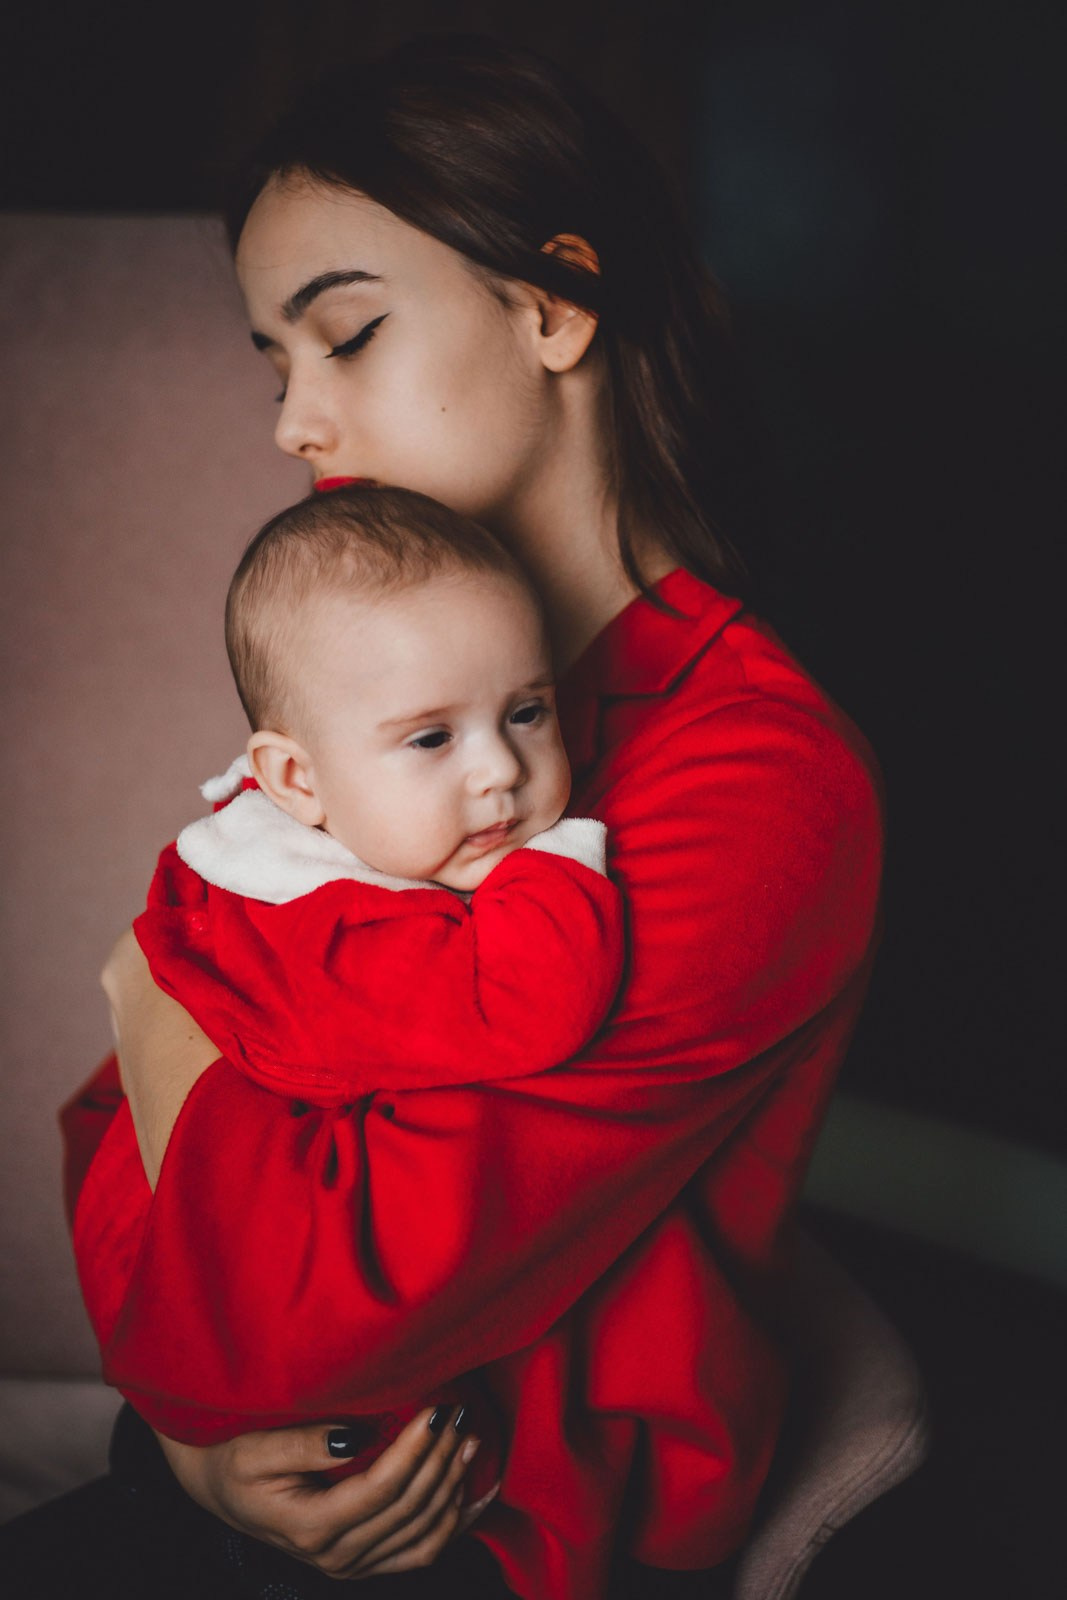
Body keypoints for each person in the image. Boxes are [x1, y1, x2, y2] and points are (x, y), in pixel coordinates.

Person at [3, 32, 884, 1600]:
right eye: (272, 361)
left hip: (486, 1527)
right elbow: (117, 1148)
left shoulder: (752, 782)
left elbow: (289, 1269)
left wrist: (155, 1000)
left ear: (549, 306)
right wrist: (202, 1439)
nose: (291, 421)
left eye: (343, 336)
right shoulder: (397, 670)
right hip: (245, 1462)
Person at [77, 482, 624, 1486]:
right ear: (294, 781)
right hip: (270, 1377)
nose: (500, 771)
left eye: (526, 710)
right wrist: (562, 861)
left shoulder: (290, 839)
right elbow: (523, 999)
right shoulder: (318, 920)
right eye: (431, 737)